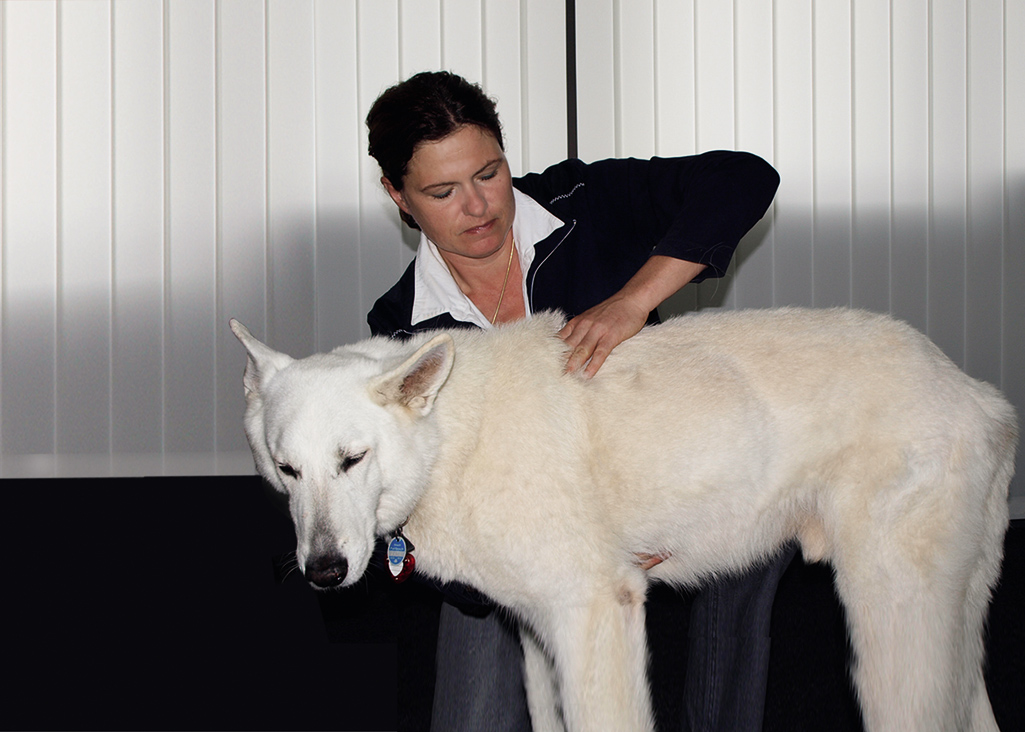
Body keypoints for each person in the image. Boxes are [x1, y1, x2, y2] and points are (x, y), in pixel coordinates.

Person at [365, 70, 784, 731]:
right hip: (522, 535)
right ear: (398, 196)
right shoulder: (403, 331)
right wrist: (558, 561)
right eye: (442, 191)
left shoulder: (583, 202)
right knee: (471, 709)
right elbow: (417, 515)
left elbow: (742, 178)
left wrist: (630, 302)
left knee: (752, 529)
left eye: (489, 173)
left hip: (661, 473)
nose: (478, 207)